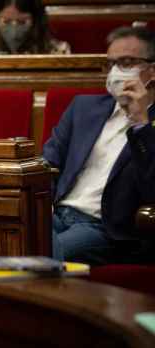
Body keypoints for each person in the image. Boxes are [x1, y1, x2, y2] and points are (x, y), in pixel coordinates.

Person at [43, 26, 155, 265]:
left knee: (46, 250)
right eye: (110, 64)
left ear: (152, 70)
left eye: (126, 62)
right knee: (12, 233)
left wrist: (141, 123)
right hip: (56, 214)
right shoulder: (84, 108)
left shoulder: (149, 125)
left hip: (103, 227)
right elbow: (47, 163)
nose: (115, 72)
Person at [0, 0, 70, 54]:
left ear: (36, 21)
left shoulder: (59, 52)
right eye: (6, 21)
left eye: (22, 22)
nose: (14, 31)